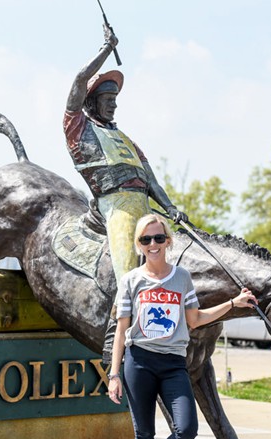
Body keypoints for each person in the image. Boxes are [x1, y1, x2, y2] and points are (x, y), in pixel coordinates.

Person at [107, 214, 255, 439]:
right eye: (146, 240)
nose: (153, 245)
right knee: (143, 435)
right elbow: (121, 331)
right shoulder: (131, 281)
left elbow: (196, 319)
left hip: (174, 363)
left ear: (168, 241)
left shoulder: (181, 278)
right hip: (139, 362)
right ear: (139, 244)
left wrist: (233, 303)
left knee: (186, 429)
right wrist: (114, 373)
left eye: (159, 238)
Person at [64, 25, 187, 363]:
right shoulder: (78, 128)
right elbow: (77, 82)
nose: (114, 106)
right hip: (115, 208)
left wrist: (172, 209)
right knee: (128, 277)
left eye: (115, 101)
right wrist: (105, 49)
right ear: (91, 103)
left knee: (173, 265)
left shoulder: (130, 142)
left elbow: (153, 182)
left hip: (146, 208)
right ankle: (112, 341)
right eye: (107, 101)